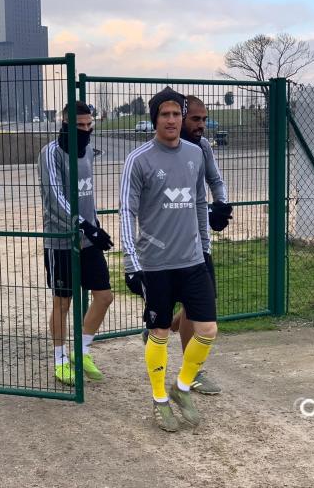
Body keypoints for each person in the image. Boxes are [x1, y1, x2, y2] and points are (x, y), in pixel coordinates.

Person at [120, 87, 217, 432]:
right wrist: (131, 263)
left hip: (192, 259)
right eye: (166, 115)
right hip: (156, 263)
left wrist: (205, 247)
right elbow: (126, 212)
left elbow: (199, 204)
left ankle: (182, 386)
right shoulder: (139, 159)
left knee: (207, 329)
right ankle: (160, 398)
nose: (173, 120)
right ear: (155, 120)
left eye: (177, 114)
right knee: (159, 331)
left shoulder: (195, 154)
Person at [38, 101, 114, 386]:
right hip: (60, 240)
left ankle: (80, 352)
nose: (84, 130)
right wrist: (83, 225)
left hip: (88, 238)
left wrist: (95, 227)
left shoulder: (88, 154)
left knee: (104, 296)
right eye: (78, 125)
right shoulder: (51, 153)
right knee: (63, 301)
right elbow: (56, 196)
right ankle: (59, 360)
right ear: (64, 123)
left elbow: (88, 196)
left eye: (88, 125)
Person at [170, 95, 232, 394]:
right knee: (193, 307)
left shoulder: (203, 147)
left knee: (200, 304)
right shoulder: (161, 151)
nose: (202, 125)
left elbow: (216, 181)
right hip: (168, 243)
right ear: (180, 118)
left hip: (199, 241)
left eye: (205, 119)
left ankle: (164, 326)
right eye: (196, 119)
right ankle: (190, 371)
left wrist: (221, 205)